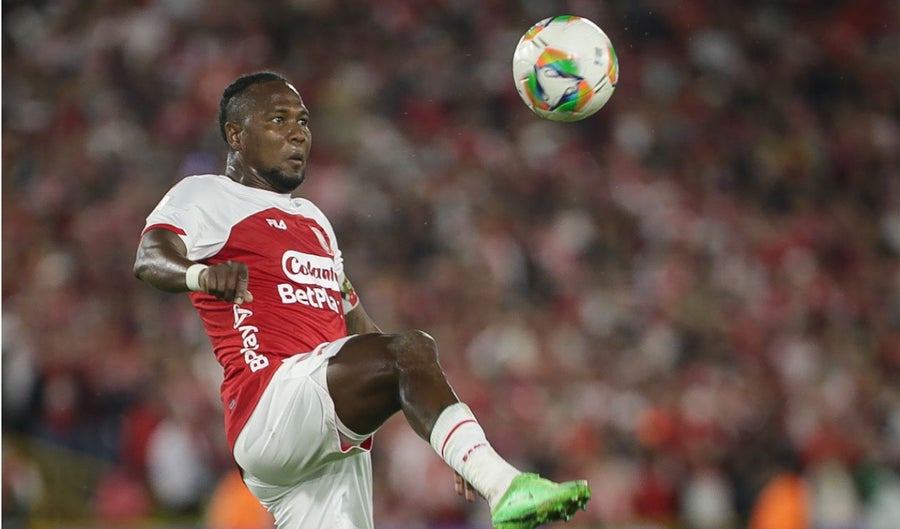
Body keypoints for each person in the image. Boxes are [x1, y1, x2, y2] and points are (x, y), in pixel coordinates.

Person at [133, 70, 591, 529]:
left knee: (403, 352)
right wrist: (200, 274)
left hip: (323, 438)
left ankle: (483, 467)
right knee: (412, 346)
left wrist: (455, 444)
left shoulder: (314, 221)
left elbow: (364, 333)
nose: (298, 133)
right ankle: (503, 484)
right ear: (236, 135)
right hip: (270, 403)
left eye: (303, 121)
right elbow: (150, 257)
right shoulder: (208, 194)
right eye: (278, 119)